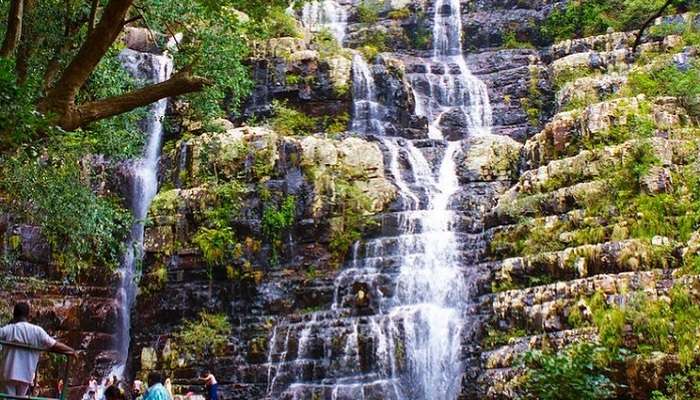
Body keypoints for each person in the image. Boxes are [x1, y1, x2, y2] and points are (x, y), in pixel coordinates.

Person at [0, 302, 75, 397]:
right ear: (28, 315)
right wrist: (71, 350)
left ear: (14, 314)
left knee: (9, 397)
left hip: (9, 372)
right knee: (20, 397)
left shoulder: (9, 329)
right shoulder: (37, 331)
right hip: (26, 374)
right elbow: (54, 344)